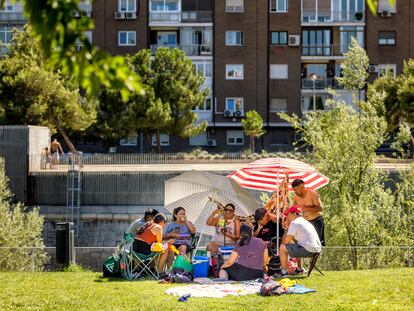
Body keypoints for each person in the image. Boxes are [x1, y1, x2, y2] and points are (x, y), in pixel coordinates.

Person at [277, 205, 322, 277]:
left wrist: (286, 230)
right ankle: (299, 269)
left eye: (288, 215)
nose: (287, 218)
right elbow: (296, 241)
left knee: (282, 248)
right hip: (317, 249)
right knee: (297, 243)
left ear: (294, 214)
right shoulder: (305, 222)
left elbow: (285, 243)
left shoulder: (294, 223)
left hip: (308, 249)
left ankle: (284, 272)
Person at [292, 179, 325, 245]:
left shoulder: (312, 194)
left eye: (296, 189)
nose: (294, 192)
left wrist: (305, 208)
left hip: (316, 221)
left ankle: (321, 255)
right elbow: (293, 209)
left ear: (302, 187)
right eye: (293, 190)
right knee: (306, 242)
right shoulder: (296, 197)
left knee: (318, 242)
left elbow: (320, 208)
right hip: (305, 223)